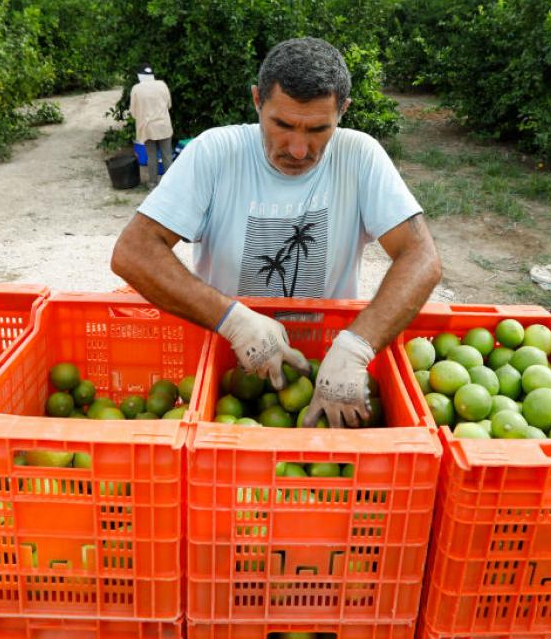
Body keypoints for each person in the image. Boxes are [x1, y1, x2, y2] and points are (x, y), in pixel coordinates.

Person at [111, 37, 441, 428]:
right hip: (229, 358)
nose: (299, 149)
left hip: (327, 361)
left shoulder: (360, 156)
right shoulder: (215, 152)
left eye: (319, 129)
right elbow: (133, 251)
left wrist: (356, 345)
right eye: (282, 124)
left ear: (343, 111)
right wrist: (232, 320)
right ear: (257, 100)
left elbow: (422, 257)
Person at [129, 63, 174, 189]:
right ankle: (170, 184)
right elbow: (169, 105)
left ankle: (153, 183)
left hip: (148, 128)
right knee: (167, 155)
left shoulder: (136, 89)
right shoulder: (162, 85)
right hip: (164, 126)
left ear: (139, 75)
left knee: (151, 156)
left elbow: (133, 112)